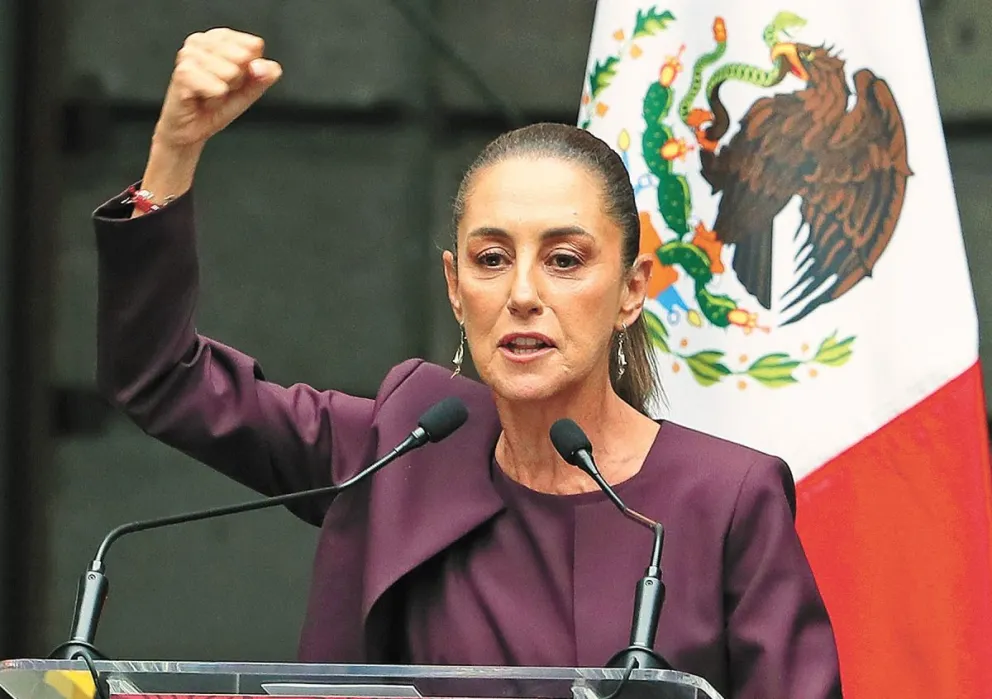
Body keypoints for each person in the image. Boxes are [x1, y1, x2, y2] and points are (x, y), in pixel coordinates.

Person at [92, 28, 843, 699]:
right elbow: (162, 378)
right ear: (455, 289)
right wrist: (174, 151)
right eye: (491, 259)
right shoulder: (399, 448)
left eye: (564, 259)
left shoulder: (728, 499)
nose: (522, 294)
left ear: (631, 290)